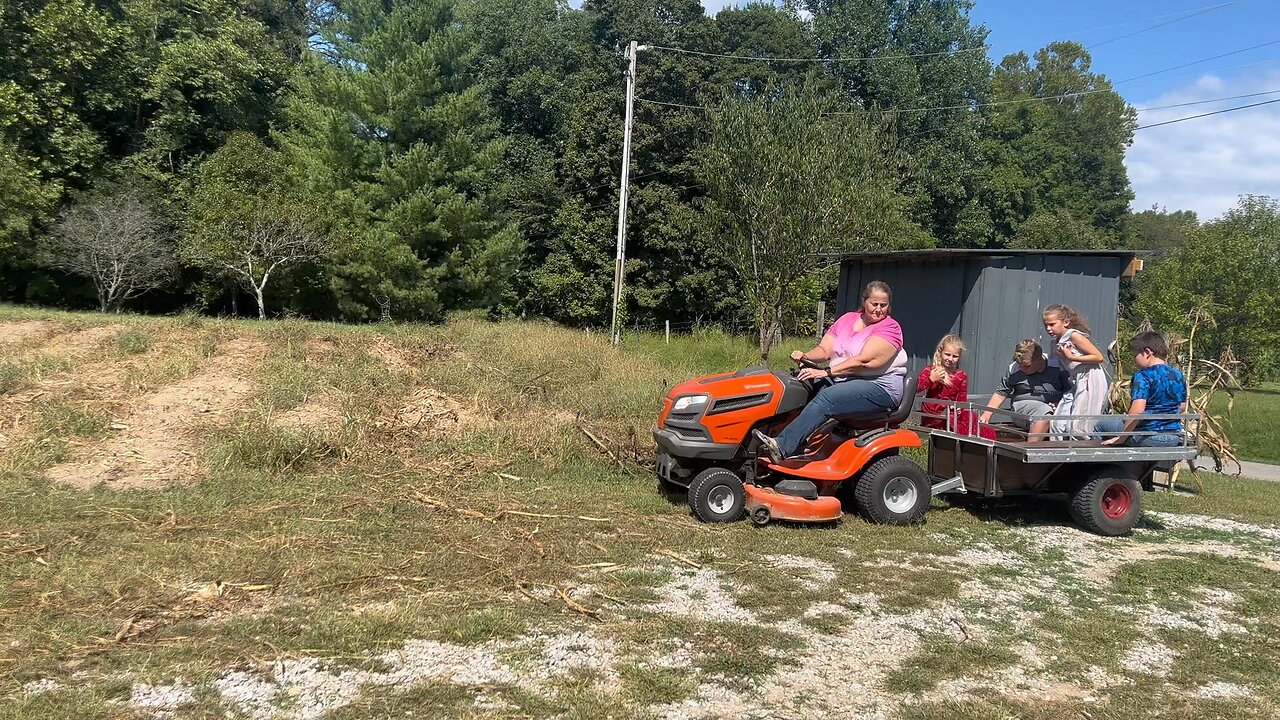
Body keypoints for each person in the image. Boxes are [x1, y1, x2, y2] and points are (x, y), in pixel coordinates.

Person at [753, 280, 908, 463]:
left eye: (884, 305)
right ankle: (775, 436)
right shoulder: (847, 319)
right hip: (846, 379)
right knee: (799, 383)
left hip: (879, 386)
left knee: (829, 397)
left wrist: (827, 372)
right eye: (874, 304)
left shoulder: (890, 328)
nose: (879, 309)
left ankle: (782, 447)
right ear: (864, 301)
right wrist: (805, 356)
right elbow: (825, 350)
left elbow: (864, 361)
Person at [1095, 331, 1187, 447]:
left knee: (1100, 425)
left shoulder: (1143, 376)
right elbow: (1182, 407)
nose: (1135, 361)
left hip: (1147, 436)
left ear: (1147, 352)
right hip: (1173, 437)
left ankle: (1097, 463)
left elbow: (1137, 410)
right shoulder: (1178, 375)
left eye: (1135, 356)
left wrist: (1121, 438)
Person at [979, 340, 1071, 443]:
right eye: (1019, 364)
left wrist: (1059, 405)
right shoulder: (1014, 368)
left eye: (1027, 366)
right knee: (1043, 414)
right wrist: (986, 414)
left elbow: (1070, 392)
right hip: (1023, 406)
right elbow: (1001, 393)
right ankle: (1031, 450)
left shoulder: (1058, 367)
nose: (1022, 368)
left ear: (1039, 359)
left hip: (1055, 408)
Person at [1043, 304, 1110, 439]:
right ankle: (1057, 451)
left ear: (1066, 322)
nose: (1049, 329)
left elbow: (1098, 357)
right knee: (1058, 421)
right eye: (1046, 325)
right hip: (1074, 380)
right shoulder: (1055, 343)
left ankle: (1080, 450)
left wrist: (1071, 357)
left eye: (1052, 324)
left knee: (1080, 422)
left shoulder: (1073, 336)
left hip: (1089, 376)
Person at [918, 334, 971, 432]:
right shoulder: (930, 370)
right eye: (947, 354)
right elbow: (917, 388)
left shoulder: (961, 375)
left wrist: (958, 408)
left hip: (949, 421)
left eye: (955, 356)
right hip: (930, 418)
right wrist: (931, 379)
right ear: (940, 352)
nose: (950, 359)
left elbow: (961, 400)